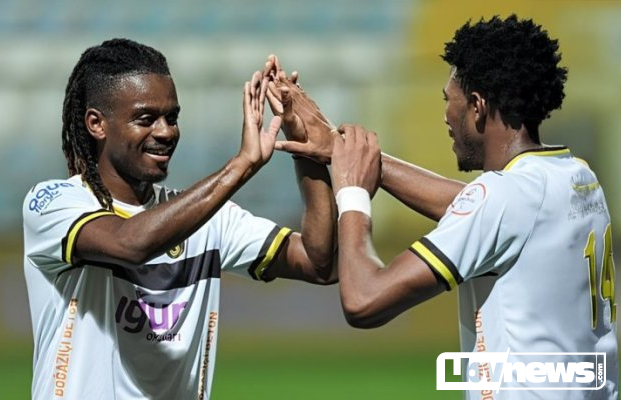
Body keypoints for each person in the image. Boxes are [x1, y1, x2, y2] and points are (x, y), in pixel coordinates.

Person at [267, 15, 618, 399]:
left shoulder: (503, 200)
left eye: (449, 101)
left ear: (477, 106)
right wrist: (342, 149)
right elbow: (478, 208)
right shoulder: (576, 176)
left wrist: (352, 192)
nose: (446, 116)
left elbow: (363, 301)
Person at [22, 38, 337, 400]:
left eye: (172, 118)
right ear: (97, 124)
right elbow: (130, 243)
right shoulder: (53, 204)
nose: (166, 132)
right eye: (146, 119)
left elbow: (319, 262)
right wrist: (242, 165)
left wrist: (304, 147)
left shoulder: (208, 218)